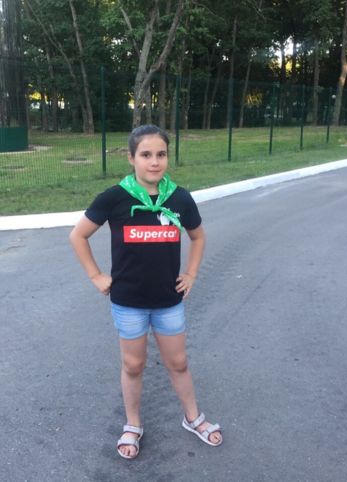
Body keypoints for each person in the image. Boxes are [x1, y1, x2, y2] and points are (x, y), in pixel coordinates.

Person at [69, 125, 223, 460]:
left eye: (161, 154)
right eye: (146, 155)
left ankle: (193, 418)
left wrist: (191, 273)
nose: (154, 162)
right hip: (129, 302)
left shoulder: (179, 198)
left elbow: (198, 236)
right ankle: (133, 424)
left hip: (168, 300)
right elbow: (77, 236)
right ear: (131, 158)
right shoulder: (115, 197)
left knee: (178, 362)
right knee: (133, 365)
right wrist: (96, 275)